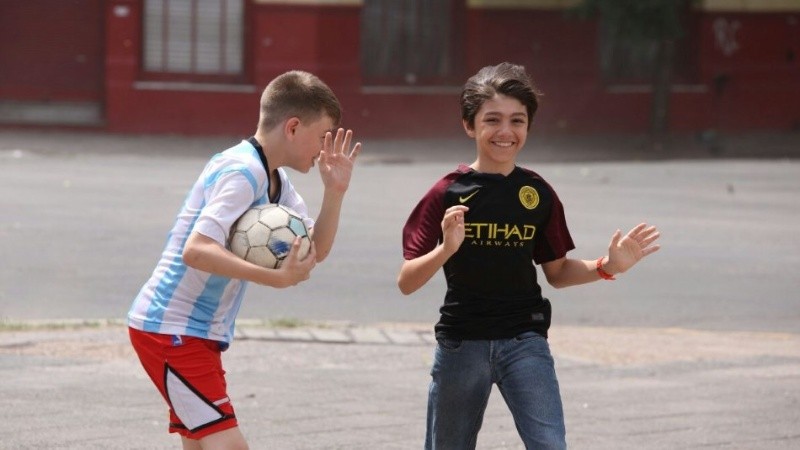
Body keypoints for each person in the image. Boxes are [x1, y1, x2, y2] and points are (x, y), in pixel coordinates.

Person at [397, 62, 660, 450]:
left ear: (528, 127)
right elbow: (407, 282)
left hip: (525, 340)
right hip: (461, 343)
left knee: (550, 445)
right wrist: (445, 249)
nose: (506, 132)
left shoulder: (537, 193)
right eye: (493, 120)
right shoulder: (446, 192)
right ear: (470, 126)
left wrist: (608, 266)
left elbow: (556, 272)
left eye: (517, 121)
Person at [127, 70, 361, 450]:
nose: (324, 149)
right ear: (293, 127)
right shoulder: (242, 172)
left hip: (195, 333)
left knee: (201, 444)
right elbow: (197, 250)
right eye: (322, 137)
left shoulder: (275, 180)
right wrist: (274, 278)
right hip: (170, 329)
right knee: (230, 445)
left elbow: (316, 250)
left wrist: (334, 192)